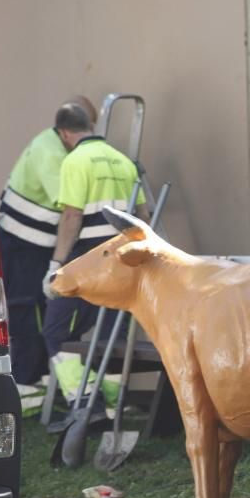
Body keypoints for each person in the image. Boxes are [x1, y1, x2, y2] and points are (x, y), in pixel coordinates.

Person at [0, 96, 98, 385]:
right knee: (28, 312)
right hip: (21, 245)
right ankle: (28, 382)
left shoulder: (56, 146)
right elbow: (71, 208)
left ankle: (36, 379)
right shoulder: (51, 153)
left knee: (39, 310)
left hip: (33, 245)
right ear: (67, 131)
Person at [41, 102, 147, 364]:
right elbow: (144, 216)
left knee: (55, 330)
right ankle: (111, 404)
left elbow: (71, 216)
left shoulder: (75, 161)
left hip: (90, 258)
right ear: (90, 126)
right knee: (113, 336)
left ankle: (82, 397)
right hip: (125, 257)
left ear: (64, 133)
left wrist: (56, 265)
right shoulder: (123, 161)